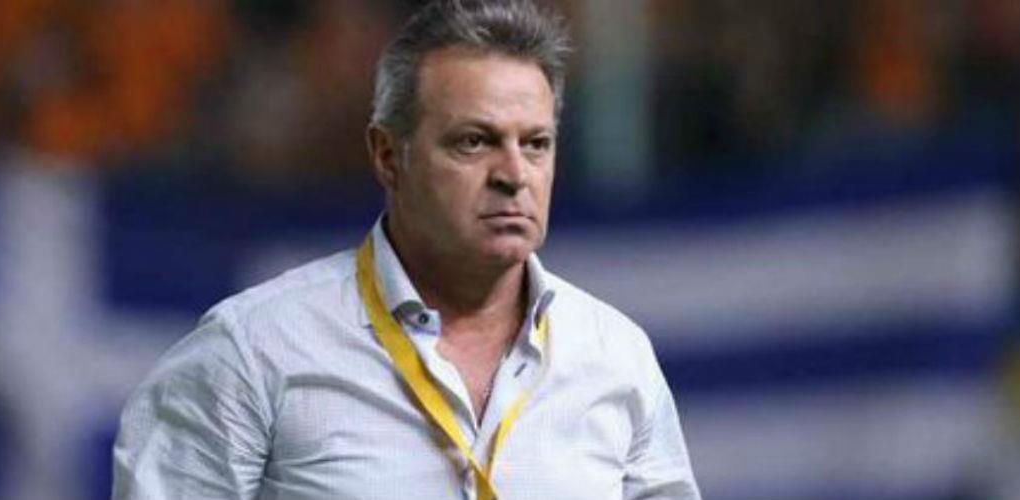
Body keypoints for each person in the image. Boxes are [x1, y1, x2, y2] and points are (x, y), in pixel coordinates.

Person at [111, 1, 700, 498]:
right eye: (474, 141)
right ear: (390, 157)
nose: (514, 174)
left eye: (536, 143)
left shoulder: (616, 356)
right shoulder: (254, 350)